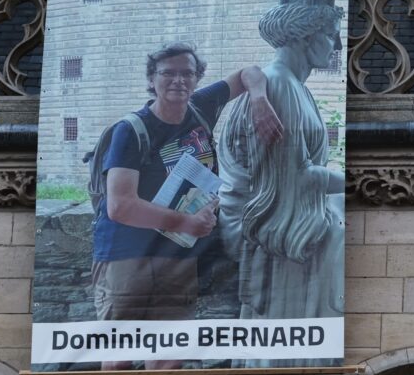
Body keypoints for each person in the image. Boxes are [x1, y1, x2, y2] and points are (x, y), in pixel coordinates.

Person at [92, 42, 283, 371]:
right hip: (127, 255)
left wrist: (259, 99)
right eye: (168, 73)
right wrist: (186, 222)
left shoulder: (202, 107)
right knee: (120, 356)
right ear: (152, 79)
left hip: (177, 255)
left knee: (168, 355)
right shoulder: (131, 130)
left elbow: (249, 73)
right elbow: (120, 206)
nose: (178, 80)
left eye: (187, 73)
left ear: (197, 79)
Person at [217, 0, 346, 368]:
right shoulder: (280, 87)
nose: (336, 45)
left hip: (285, 213)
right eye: (329, 34)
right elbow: (295, 180)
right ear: (306, 36)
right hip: (272, 228)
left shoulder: (289, 86)